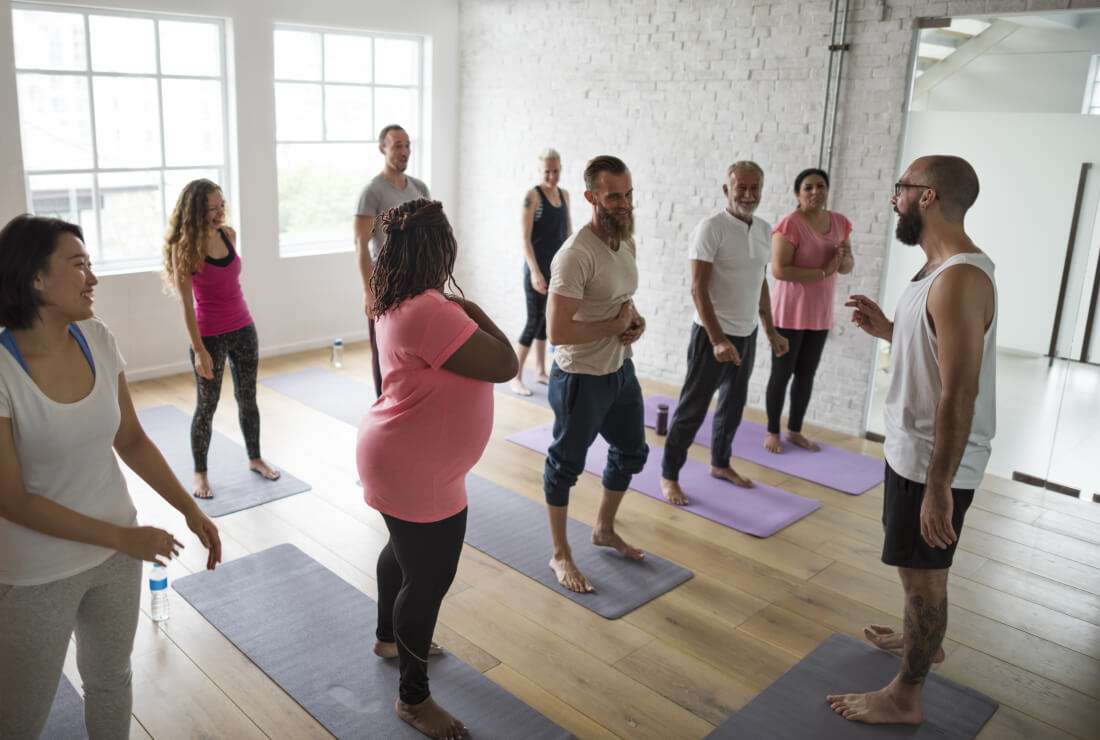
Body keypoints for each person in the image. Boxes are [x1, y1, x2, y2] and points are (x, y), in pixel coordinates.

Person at [0, 215, 222, 739]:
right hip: (36, 574)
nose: (93, 278)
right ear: (34, 278)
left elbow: (131, 440)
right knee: (20, 719)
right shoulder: (2, 368)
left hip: (117, 560)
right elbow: (12, 500)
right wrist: (125, 537)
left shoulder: (97, 338)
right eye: (78, 265)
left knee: (110, 682)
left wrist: (191, 511)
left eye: (92, 264)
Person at [830, 156, 995, 725]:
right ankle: (922, 641)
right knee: (910, 571)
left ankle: (907, 695)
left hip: (933, 463)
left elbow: (960, 392)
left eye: (901, 188)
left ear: (927, 197)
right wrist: (890, 331)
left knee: (926, 579)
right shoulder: (934, 270)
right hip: (910, 451)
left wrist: (940, 488)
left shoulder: (961, 278)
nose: (893, 198)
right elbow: (936, 351)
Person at [357, 199, 516, 739]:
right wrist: (470, 309)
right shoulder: (433, 311)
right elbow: (506, 362)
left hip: (399, 459)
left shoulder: (391, 299)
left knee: (401, 557)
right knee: (427, 580)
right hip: (417, 470)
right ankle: (414, 699)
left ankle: (386, 637)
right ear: (439, 249)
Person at [543, 155, 648, 594]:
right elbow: (557, 330)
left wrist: (636, 321)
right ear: (591, 197)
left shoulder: (625, 242)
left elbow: (622, 300)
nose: (623, 204)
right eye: (613, 197)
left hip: (619, 371)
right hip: (580, 377)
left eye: (627, 194)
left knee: (631, 452)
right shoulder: (574, 255)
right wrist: (613, 327)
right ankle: (560, 554)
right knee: (565, 466)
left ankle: (603, 528)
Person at [659, 161, 789, 505]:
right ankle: (670, 475)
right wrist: (717, 339)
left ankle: (720, 464)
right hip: (711, 336)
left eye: (754, 188)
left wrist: (770, 331)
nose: (748, 194)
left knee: (733, 406)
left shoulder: (763, 229)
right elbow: (698, 290)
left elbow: (760, 280)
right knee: (692, 408)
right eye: (741, 188)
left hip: (747, 334)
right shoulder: (710, 228)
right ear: (726, 191)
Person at [162, 179, 280, 499]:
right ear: (195, 211)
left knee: (247, 397)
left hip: (243, 327)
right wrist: (199, 349)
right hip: (209, 335)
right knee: (207, 406)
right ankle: (200, 474)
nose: (218, 212)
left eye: (221, 206)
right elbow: (187, 305)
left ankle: (255, 458)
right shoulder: (183, 247)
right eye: (211, 208)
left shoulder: (229, 235)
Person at [763, 168, 854, 454]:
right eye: (809, 187)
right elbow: (779, 270)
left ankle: (795, 431)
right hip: (789, 311)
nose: (816, 192)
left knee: (806, 374)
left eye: (821, 186)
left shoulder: (840, 223)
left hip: (819, 312)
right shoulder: (789, 223)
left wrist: (844, 258)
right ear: (797, 194)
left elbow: (847, 267)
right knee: (782, 373)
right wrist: (824, 271)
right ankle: (772, 432)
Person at [354, 124, 431, 394]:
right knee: (385, 346)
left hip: (418, 278)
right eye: (397, 145)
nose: (404, 151)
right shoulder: (372, 192)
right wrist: (368, 290)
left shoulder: (420, 188)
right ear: (382, 148)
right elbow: (360, 243)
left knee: (416, 344)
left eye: (407, 145)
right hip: (385, 278)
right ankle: (384, 402)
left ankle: (412, 399)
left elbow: (429, 234)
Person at [510, 148, 573, 396]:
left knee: (547, 322)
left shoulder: (565, 195)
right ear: (540, 170)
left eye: (555, 171)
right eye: (547, 171)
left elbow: (568, 233)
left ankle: (540, 371)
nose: (551, 176)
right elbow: (525, 239)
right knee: (533, 321)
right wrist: (535, 272)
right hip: (536, 270)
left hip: (557, 270)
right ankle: (515, 376)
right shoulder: (532, 196)